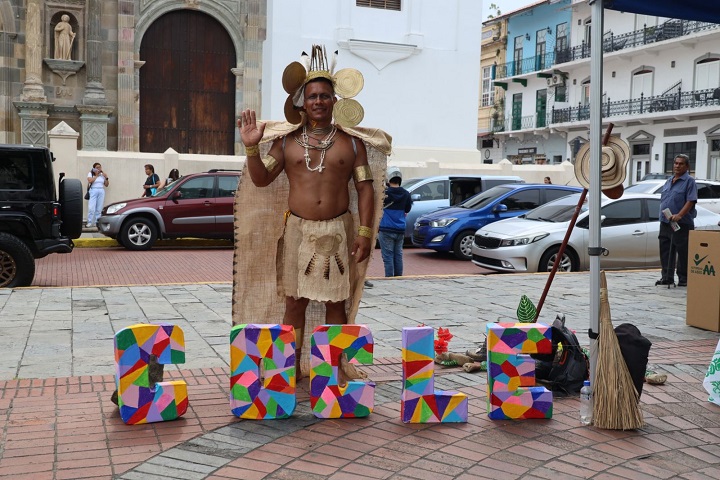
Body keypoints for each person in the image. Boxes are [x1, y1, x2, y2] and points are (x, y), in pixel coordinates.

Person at [234, 45, 390, 377]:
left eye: (324, 96)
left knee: (336, 302)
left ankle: (330, 370)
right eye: (312, 96)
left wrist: (364, 234)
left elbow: (366, 188)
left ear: (336, 101)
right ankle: (287, 369)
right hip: (297, 233)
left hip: (338, 230)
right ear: (301, 103)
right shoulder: (287, 142)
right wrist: (251, 146)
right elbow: (261, 179)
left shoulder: (352, 144)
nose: (318, 101)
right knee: (294, 302)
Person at [657, 154, 697, 287]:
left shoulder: (689, 181)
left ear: (687, 166)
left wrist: (680, 215)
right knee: (665, 250)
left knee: (683, 251)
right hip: (666, 221)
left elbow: (690, 201)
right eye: (676, 163)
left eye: (681, 164)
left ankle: (684, 279)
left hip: (682, 223)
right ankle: (667, 277)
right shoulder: (669, 181)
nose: (677, 166)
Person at [378, 167, 412, 277]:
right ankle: (398, 278)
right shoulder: (406, 194)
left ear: (388, 179)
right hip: (400, 228)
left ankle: (389, 279)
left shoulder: (384, 194)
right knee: (398, 255)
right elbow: (407, 209)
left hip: (386, 228)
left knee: (388, 256)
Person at [86, 163, 108, 227]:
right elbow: (90, 181)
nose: (99, 169)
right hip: (93, 190)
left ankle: (96, 222)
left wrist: (106, 178)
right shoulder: (91, 173)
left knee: (99, 208)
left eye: (100, 167)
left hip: (101, 190)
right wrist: (96, 175)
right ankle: (90, 222)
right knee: (91, 207)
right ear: (94, 168)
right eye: (97, 167)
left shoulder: (102, 175)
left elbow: (106, 185)